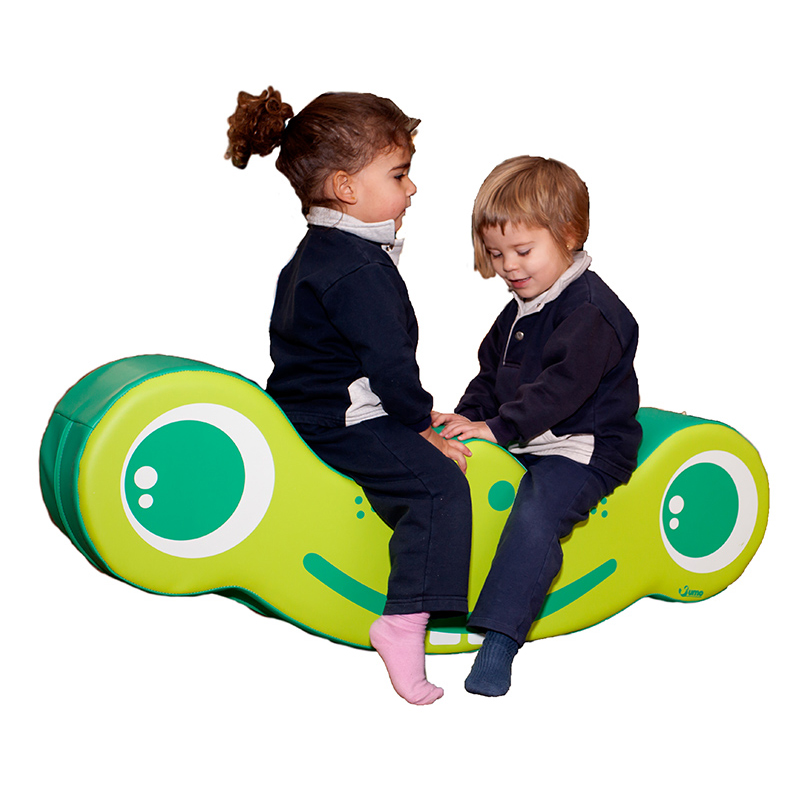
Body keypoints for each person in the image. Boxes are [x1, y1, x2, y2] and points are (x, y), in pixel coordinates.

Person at [225, 88, 472, 705]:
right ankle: (405, 623)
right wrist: (422, 427)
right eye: (399, 174)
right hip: (340, 420)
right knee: (441, 488)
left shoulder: (320, 252)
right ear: (346, 187)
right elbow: (391, 364)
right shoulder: (360, 267)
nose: (411, 189)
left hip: (312, 409)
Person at [434, 156, 642, 696]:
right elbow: (488, 376)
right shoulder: (519, 310)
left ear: (569, 234)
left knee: (534, 514)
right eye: (496, 253)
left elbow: (561, 390)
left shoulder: (590, 311)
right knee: (455, 480)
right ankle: (439, 597)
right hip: (526, 439)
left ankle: (501, 639)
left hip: (582, 449)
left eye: (523, 251)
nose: (509, 266)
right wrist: (467, 419)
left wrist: (498, 428)